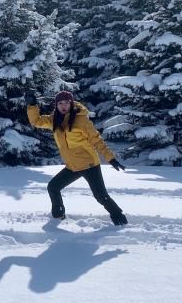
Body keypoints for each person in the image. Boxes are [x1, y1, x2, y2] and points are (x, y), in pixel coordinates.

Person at [26, 90, 128, 225]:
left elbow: (97, 140)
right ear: (56, 105)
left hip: (89, 164)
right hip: (73, 166)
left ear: (71, 103)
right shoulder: (53, 119)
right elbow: (36, 121)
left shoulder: (81, 120)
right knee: (53, 187)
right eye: (60, 103)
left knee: (100, 196)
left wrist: (111, 159)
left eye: (66, 103)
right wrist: (32, 105)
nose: (63, 106)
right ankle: (58, 216)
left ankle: (119, 219)